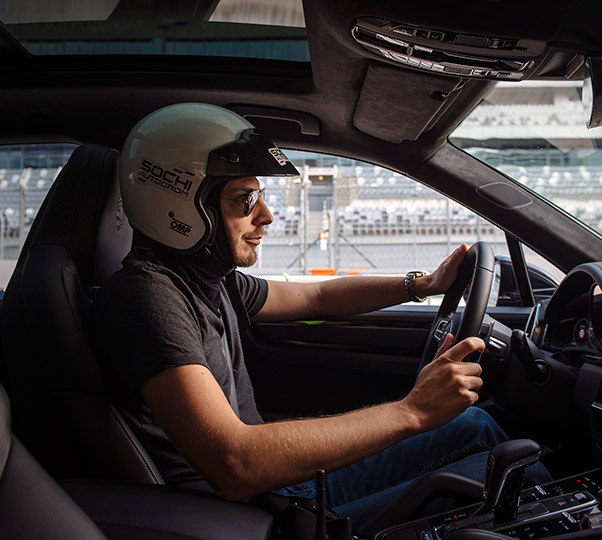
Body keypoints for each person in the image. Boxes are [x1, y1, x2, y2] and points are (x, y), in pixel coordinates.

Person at [93, 103, 549, 526]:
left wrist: (422, 285)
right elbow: (235, 465)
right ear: (179, 207)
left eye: (260, 197)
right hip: (256, 515)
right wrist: (413, 411)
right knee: (514, 475)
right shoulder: (148, 298)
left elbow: (318, 300)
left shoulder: (207, 278)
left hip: (279, 486)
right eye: (244, 200)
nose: (267, 216)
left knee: (475, 426)